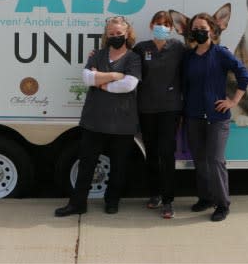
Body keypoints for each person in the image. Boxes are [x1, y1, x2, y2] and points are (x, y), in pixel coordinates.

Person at [54, 16, 142, 217]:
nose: (115, 36)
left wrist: (99, 80)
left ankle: (112, 202)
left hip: (123, 123)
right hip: (94, 121)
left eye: (119, 33)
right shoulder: (97, 55)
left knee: (119, 166)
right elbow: (86, 78)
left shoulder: (133, 58)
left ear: (127, 34)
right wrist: (113, 76)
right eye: (111, 34)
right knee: (86, 164)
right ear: (106, 35)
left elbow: (128, 85)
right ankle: (77, 204)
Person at [182, 12, 248, 222]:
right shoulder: (189, 57)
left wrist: (233, 101)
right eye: (195, 29)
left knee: (215, 161)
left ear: (211, 31)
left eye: (203, 29)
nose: (199, 32)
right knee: (200, 162)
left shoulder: (221, 53)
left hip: (217, 119)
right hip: (194, 117)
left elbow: (244, 75)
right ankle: (205, 198)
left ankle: (222, 204)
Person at [132, 11, 185, 219]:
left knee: (166, 154)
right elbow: (125, 63)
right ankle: (154, 194)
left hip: (170, 109)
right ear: (151, 25)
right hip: (146, 109)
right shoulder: (141, 48)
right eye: (158, 23)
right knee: (151, 154)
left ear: (171, 28)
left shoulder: (178, 48)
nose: (162, 26)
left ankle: (168, 200)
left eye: (166, 24)